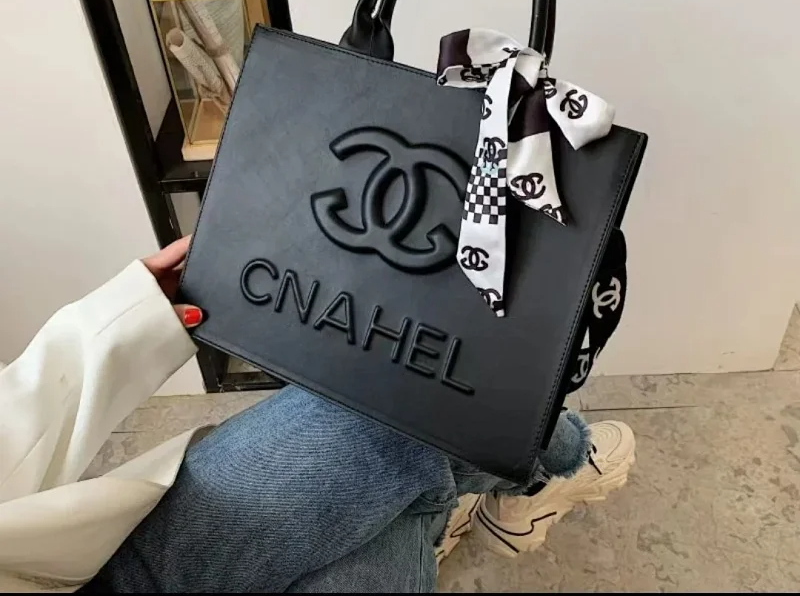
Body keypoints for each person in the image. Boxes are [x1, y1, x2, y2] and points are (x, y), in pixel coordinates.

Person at [0, 237, 634, 593]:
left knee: (387, 401)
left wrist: (108, 329)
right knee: (379, 536)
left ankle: (524, 472)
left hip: (89, 575)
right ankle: (517, 479)